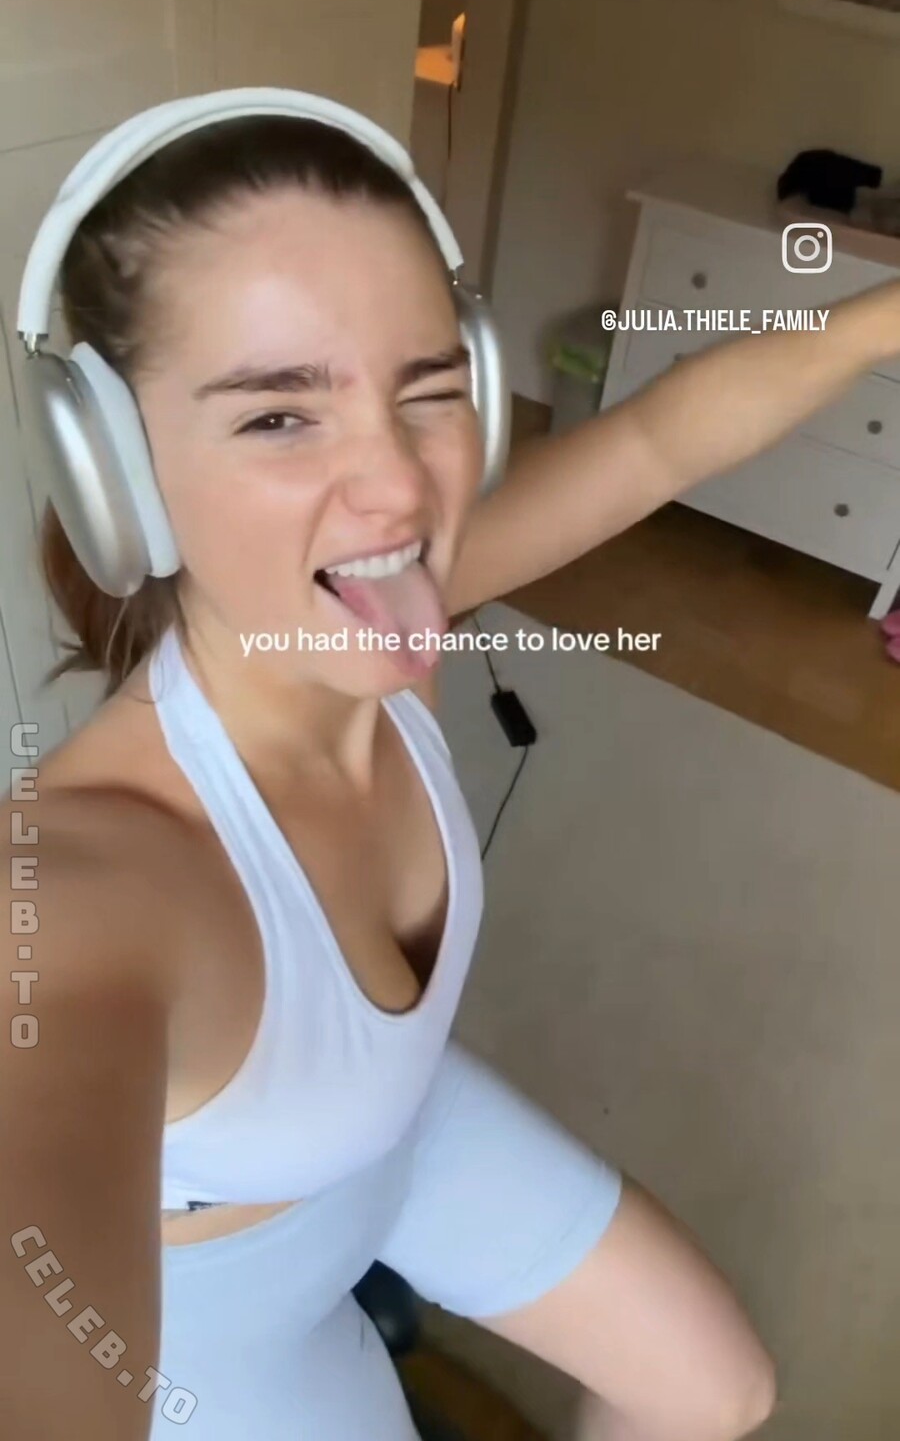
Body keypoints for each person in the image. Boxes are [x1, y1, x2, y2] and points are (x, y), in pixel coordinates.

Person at [6, 86, 900, 1441]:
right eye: (279, 416)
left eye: (429, 389)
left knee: (717, 1393)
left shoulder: (384, 616)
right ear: (115, 475)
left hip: (388, 1123)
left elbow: (657, 438)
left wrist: (884, 320)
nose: (402, 488)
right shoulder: (92, 884)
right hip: (226, 1318)